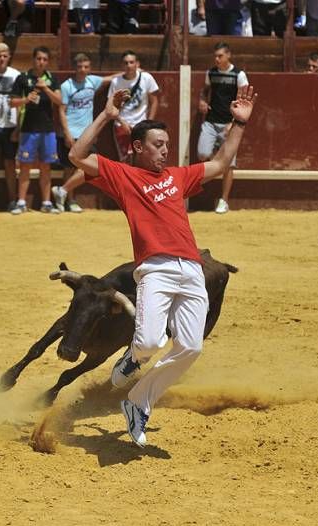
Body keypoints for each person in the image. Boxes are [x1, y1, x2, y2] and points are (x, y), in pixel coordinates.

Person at [68, 86, 257, 447]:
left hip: (191, 269)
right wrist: (107, 116)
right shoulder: (123, 176)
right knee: (151, 340)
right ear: (138, 147)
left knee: (191, 347)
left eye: (167, 144)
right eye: (157, 144)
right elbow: (77, 154)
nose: (165, 150)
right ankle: (132, 361)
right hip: (155, 268)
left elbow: (219, 164)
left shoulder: (176, 176)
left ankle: (138, 402)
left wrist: (239, 123)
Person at [52, 53, 118, 213]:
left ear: (89, 68)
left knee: (87, 167)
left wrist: (132, 72)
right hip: (71, 132)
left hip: (87, 133)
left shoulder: (92, 81)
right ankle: (68, 200)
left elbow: (111, 78)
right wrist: (67, 134)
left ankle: (63, 191)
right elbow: (62, 111)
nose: (82, 70)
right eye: (80, 67)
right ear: (75, 68)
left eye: (86, 67)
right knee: (69, 168)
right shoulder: (67, 85)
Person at [8, 46, 63, 215]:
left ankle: (46, 202)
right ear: (33, 59)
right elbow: (12, 102)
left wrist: (45, 88)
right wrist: (26, 99)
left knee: (46, 166)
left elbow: (59, 100)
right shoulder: (23, 78)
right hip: (28, 129)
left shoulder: (52, 79)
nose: (41, 62)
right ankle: (22, 202)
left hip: (47, 129)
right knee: (25, 166)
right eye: (39, 59)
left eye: (45, 59)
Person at [197, 42, 248, 214]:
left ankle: (224, 200)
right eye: (215, 56)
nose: (217, 59)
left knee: (229, 165)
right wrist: (202, 101)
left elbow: (243, 101)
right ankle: (219, 164)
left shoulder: (239, 75)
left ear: (228, 55)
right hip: (211, 121)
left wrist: (232, 123)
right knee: (203, 154)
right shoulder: (211, 72)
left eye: (220, 56)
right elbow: (205, 91)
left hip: (229, 124)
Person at [107, 51, 160, 162]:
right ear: (122, 65)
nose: (129, 66)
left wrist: (149, 123)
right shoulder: (116, 82)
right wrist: (122, 122)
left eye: (131, 62)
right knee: (125, 160)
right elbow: (110, 107)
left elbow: (154, 101)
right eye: (126, 63)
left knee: (142, 158)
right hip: (121, 125)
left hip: (141, 125)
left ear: (137, 64)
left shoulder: (146, 78)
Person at [0, 43, 20, 210]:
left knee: (10, 164)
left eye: (4, 56)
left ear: (9, 57)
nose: (1, 59)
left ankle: (12, 201)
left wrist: (19, 128)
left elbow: (22, 104)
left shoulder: (16, 75)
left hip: (10, 126)